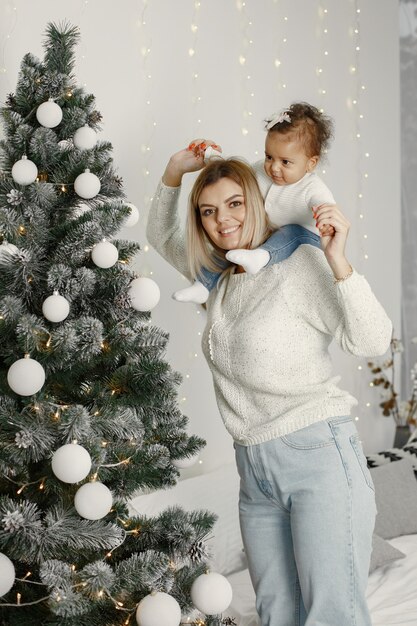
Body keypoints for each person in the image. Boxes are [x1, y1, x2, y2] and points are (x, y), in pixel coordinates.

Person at [146, 149, 392, 625]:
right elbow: (161, 234)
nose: (224, 221)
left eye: (235, 203)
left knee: (331, 616)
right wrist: (176, 172)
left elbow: (373, 339)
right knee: (277, 613)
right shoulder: (218, 274)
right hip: (254, 469)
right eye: (209, 211)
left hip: (318, 457)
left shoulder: (298, 262)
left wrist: (337, 258)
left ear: (257, 201)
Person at [173, 101, 336, 304]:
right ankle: (202, 285)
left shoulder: (312, 188)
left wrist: (326, 219)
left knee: (292, 231)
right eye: (269, 157)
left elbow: (326, 207)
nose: (274, 168)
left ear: (311, 163)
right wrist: (209, 156)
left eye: (285, 162)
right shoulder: (261, 170)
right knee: (225, 250)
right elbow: (234, 178)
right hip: (270, 235)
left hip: (305, 238)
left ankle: (262, 257)